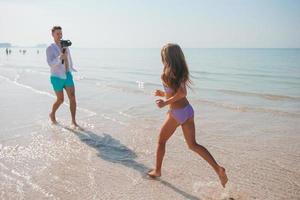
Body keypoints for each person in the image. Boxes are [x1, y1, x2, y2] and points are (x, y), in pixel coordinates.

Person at [147, 43, 228, 188]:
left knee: (161, 142)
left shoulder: (167, 72)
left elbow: (182, 93)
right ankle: (218, 168)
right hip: (188, 111)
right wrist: (162, 93)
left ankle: (157, 171)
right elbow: (176, 92)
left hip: (177, 113)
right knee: (193, 145)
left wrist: (164, 104)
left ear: (166, 57)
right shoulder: (181, 70)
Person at [46, 26, 79, 127]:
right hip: (56, 77)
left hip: (67, 74)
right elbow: (50, 63)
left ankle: (73, 121)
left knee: (72, 97)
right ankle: (52, 114)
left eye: (61, 33)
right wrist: (60, 57)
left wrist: (71, 68)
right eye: (57, 34)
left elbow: (69, 58)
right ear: (52, 35)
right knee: (60, 100)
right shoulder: (50, 48)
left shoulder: (65, 45)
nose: (60, 36)